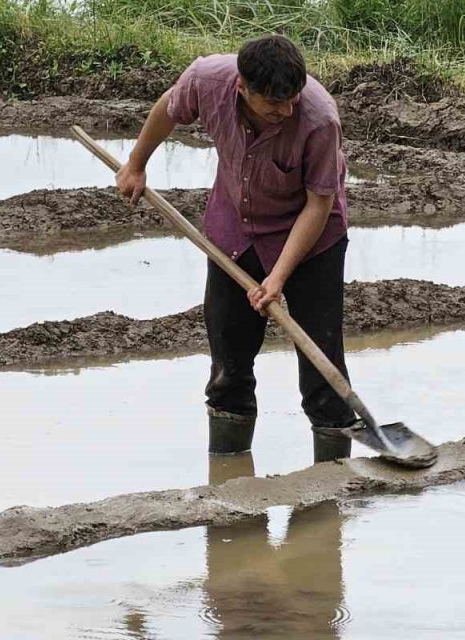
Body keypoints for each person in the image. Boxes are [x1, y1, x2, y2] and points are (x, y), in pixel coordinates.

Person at [116, 34, 355, 463]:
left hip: (310, 240)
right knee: (229, 359)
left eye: (291, 100)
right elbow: (168, 109)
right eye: (272, 103)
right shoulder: (207, 79)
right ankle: (229, 473)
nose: (284, 111)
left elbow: (319, 205)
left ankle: (332, 474)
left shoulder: (319, 119)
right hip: (235, 231)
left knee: (322, 363)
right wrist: (136, 164)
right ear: (242, 88)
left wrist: (278, 278)